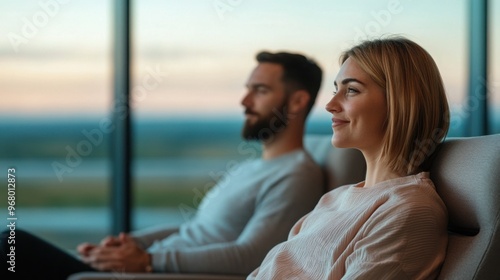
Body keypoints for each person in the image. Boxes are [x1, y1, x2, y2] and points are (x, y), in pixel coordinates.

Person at [0, 51, 324, 279]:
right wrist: (133, 243)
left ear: (297, 101)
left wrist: (147, 262)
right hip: (146, 268)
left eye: (260, 90)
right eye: (247, 89)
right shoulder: (254, 168)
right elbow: (193, 231)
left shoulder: (296, 174)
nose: (244, 101)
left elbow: (251, 257)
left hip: (156, 274)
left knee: (11, 246)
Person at [248, 37, 450, 279]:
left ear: (400, 102)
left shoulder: (408, 211)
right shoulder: (334, 199)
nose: (330, 105)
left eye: (351, 90)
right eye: (336, 90)